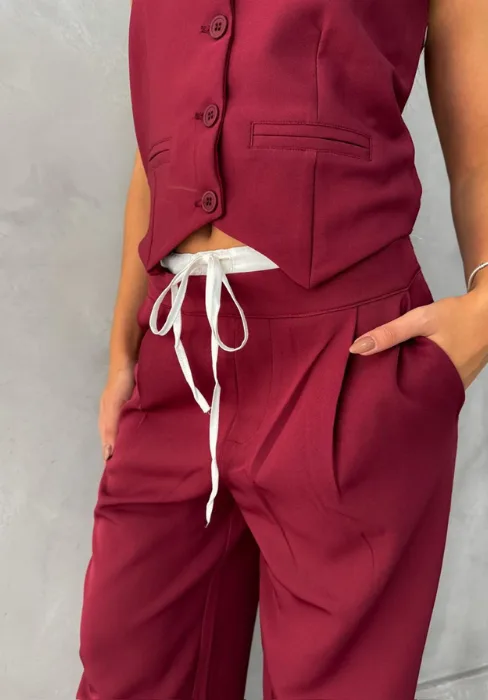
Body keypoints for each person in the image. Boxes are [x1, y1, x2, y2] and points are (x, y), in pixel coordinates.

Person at [76, 0, 488, 698]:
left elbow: (479, 132)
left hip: (350, 357)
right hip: (176, 356)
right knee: (127, 670)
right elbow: (159, 151)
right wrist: (124, 348)